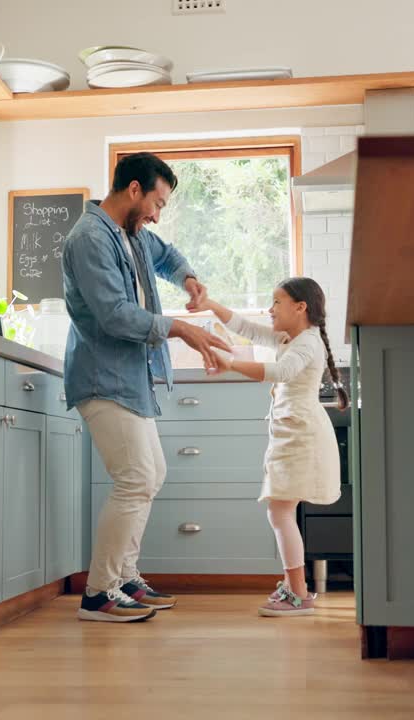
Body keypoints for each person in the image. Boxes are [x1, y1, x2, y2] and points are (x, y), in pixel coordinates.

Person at [62, 152, 232, 623]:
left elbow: (167, 255)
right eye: (157, 201)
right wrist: (180, 328)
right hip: (102, 377)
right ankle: (99, 593)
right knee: (136, 478)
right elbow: (115, 314)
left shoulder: (129, 233)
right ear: (133, 191)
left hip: (129, 377)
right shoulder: (90, 238)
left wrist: (190, 279)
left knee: (150, 474)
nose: (158, 213)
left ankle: (124, 579)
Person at [192, 278, 347, 617]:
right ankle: (297, 590)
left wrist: (229, 363)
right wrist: (210, 304)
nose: (270, 309)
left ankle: (298, 593)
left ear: (300, 307)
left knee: (279, 512)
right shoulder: (289, 337)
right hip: (292, 433)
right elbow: (247, 327)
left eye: (277, 302)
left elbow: (281, 371)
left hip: (300, 435)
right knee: (279, 513)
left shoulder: (307, 343)